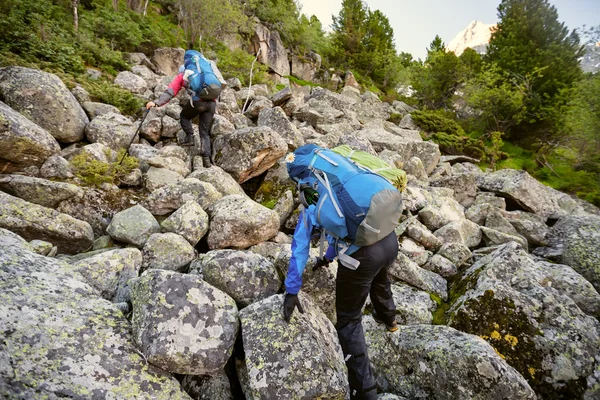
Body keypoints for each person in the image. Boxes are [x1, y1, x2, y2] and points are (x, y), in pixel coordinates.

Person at [283, 161, 400, 400]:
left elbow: (300, 248)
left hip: (362, 257)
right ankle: (389, 320)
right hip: (388, 240)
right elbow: (345, 225)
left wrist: (291, 291)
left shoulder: (312, 195)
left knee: (349, 320)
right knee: (380, 277)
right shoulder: (341, 176)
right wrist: (327, 258)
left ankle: (365, 391)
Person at [146, 56, 224, 168]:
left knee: (184, 116)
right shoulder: (204, 76)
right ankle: (206, 160)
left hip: (198, 103)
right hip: (212, 104)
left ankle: (189, 137)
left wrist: (157, 103)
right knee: (204, 131)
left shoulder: (182, 76)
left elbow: (170, 92)